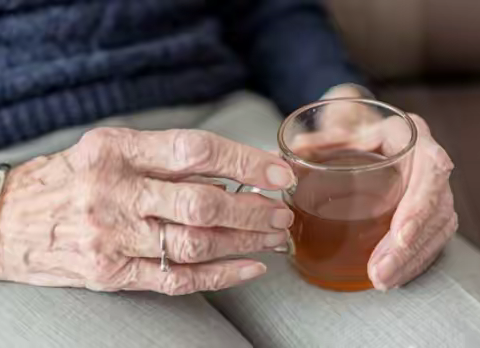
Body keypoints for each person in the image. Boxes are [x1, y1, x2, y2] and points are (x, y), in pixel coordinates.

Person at [0, 1, 479, 347]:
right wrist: (9, 205)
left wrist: (338, 105)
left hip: (226, 121)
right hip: (24, 172)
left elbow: (266, 9)